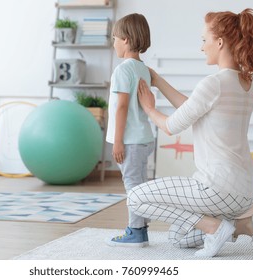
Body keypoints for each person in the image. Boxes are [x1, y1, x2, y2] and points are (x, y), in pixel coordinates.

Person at [131, 8, 253, 257]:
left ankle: (215, 227)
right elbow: (194, 108)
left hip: (217, 188)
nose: (202, 47)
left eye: (204, 40)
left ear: (219, 42)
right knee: (178, 236)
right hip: (246, 190)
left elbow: (171, 126)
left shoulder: (213, 84)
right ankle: (247, 224)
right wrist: (159, 81)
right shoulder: (245, 83)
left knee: (136, 198)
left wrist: (149, 108)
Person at [105, 13, 155, 247]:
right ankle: (141, 228)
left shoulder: (123, 70)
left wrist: (117, 141)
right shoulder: (143, 69)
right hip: (144, 138)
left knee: (133, 187)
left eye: (114, 38)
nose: (112, 42)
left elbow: (122, 106)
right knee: (140, 185)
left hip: (130, 140)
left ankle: (135, 231)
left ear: (125, 40)